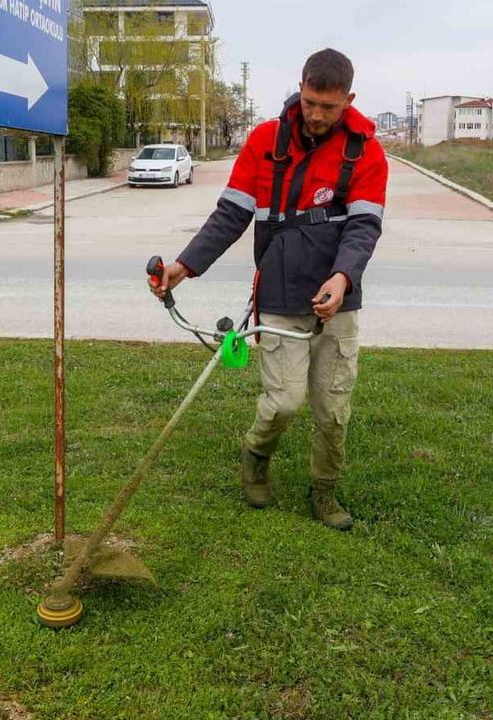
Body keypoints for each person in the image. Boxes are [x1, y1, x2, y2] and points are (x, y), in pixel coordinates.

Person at [149, 48, 388, 531]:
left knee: (333, 410)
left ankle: (324, 491)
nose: (317, 115)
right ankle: (256, 453)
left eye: (329, 106)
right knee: (284, 402)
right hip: (277, 293)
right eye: (310, 102)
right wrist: (185, 266)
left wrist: (342, 279)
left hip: (338, 299)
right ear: (300, 88)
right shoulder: (265, 141)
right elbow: (230, 215)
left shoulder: (366, 151)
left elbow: (364, 228)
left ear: (349, 99)